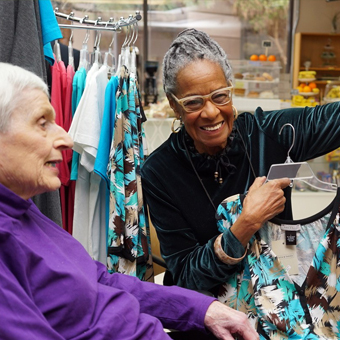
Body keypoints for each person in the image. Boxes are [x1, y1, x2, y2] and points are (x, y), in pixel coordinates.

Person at [0, 62, 260, 340]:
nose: (65, 137)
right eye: (42, 123)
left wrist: (203, 309)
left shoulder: (25, 213)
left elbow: (101, 281)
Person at [140, 28, 340, 336]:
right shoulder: (160, 171)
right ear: (174, 104)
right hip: (219, 327)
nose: (210, 112)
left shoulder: (269, 134)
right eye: (194, 102)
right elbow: (183, 279)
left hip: (285, 321)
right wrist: (244, 226)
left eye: (220, 96)